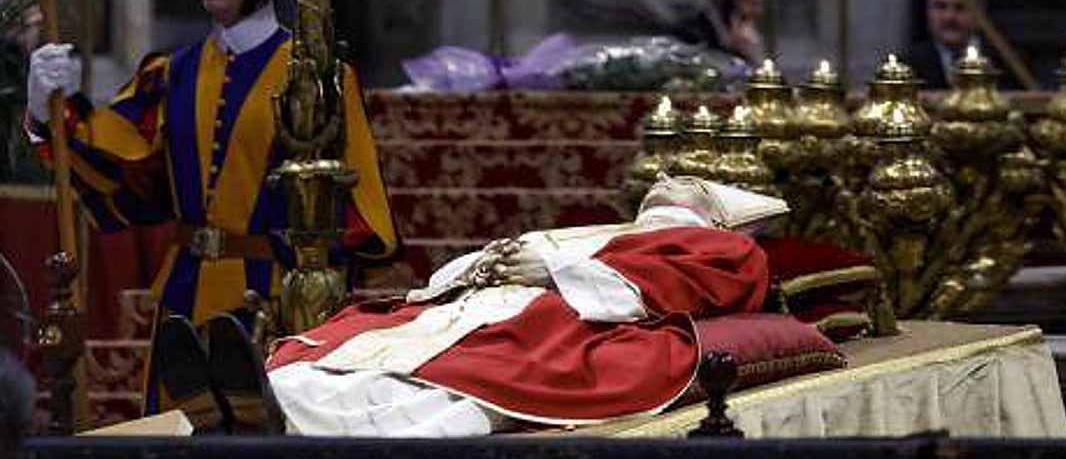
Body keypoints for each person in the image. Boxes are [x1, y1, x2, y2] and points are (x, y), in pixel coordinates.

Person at [24, 0, 400, 411]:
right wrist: (47, 112)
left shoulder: (315, 75)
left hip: (274, 303)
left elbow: (360, 215)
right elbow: (124, 173)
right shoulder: (170, 74)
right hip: (183, 302)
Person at [155, 176, 786, 436]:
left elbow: (672, 288)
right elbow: (478, 263)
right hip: (482, 305)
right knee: (363, 350)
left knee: (451, 384)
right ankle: (247, 402)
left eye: (686, 184)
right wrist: (484, 266)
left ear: (711, 212)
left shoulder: (719, 245)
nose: (666, 183)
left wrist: (554, 271)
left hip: (562, 318)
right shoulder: (603, 230)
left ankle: (283, 421)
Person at [907, 0, 1014, 89]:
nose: (949, 17)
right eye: (941, 6)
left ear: (980, 13)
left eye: (960, 7)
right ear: (927, 11)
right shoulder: (909, 65)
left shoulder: (1008, 63)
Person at [673, 0, 765, 64]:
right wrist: (742, 53)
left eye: (759, 3)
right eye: (751, 2)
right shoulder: (695, 34)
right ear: (727, 1)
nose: (758, 11)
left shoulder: (742, 37)